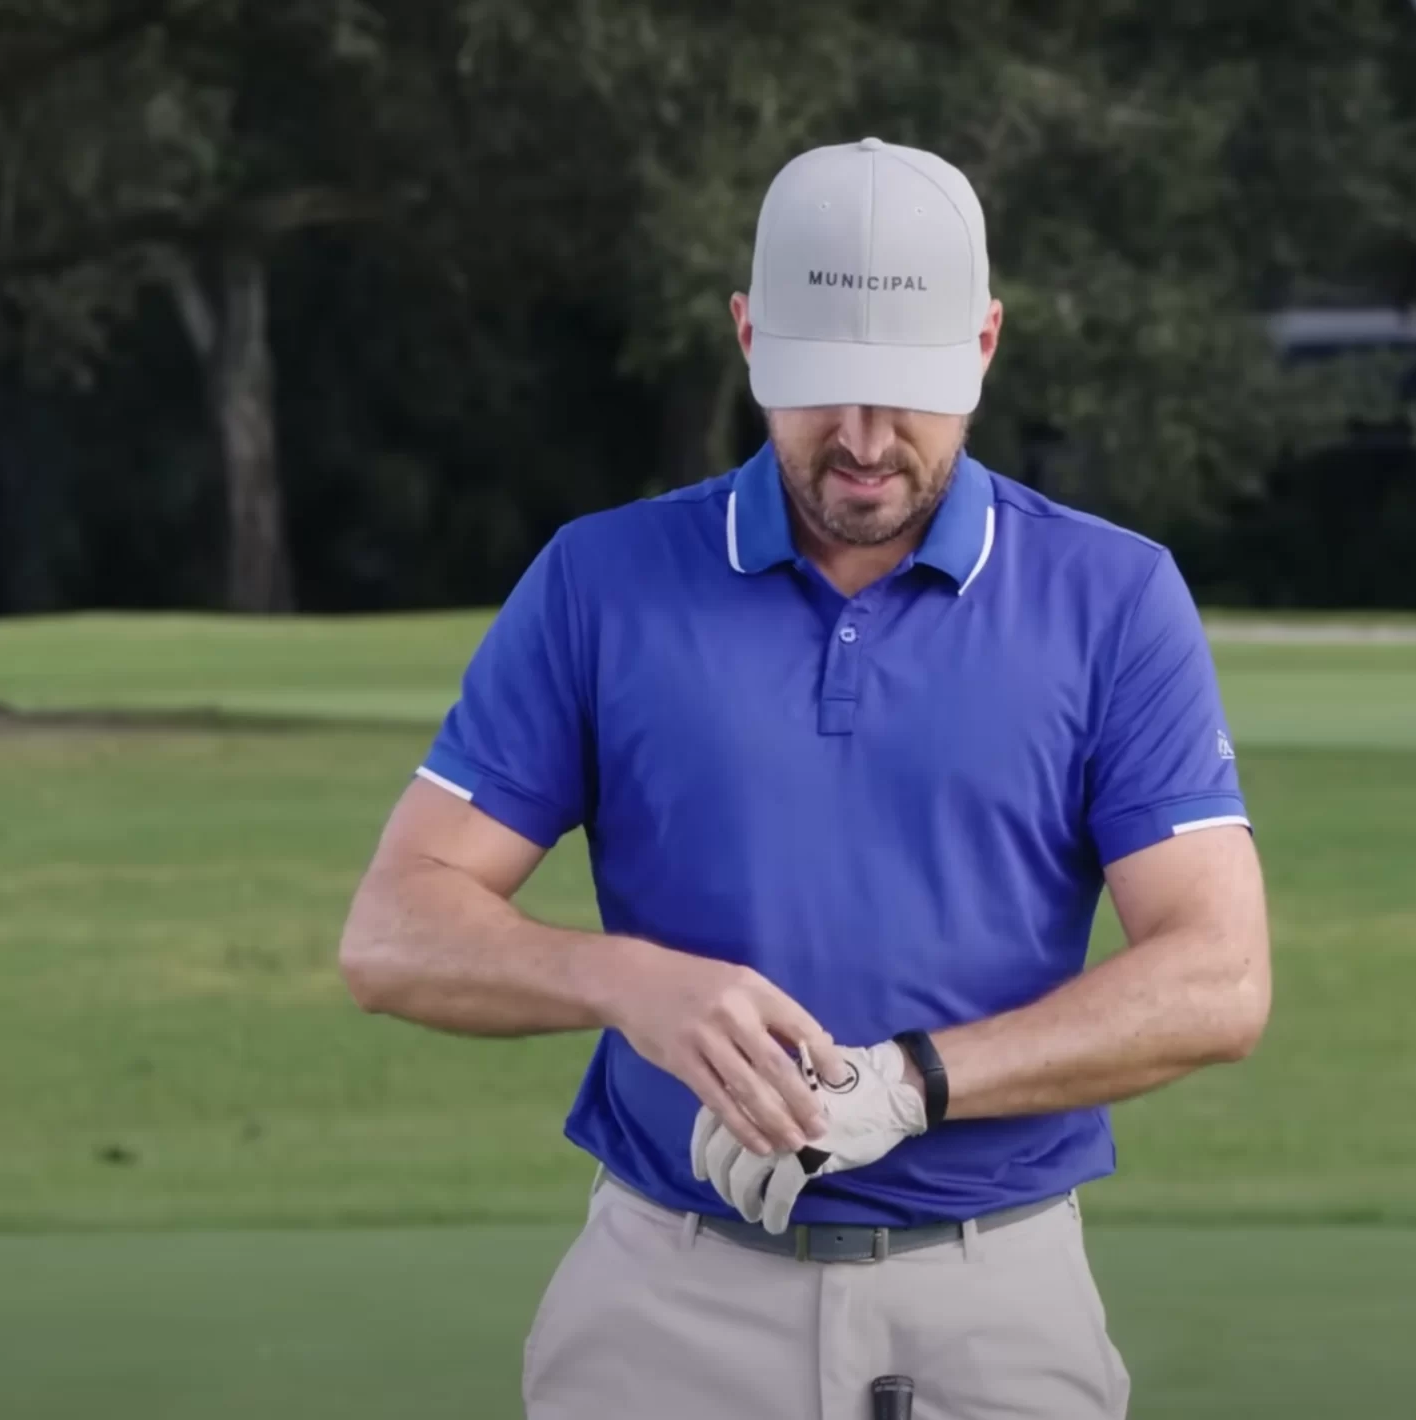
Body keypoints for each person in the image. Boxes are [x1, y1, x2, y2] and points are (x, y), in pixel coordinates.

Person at [337, 136, 1272, 1420]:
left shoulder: (1110, 597)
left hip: (992, 1302)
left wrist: (909, 1084)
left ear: (988, 346)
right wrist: (633, 984)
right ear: (746, 335)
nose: (867, 441)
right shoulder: (600, 581)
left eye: (909, 392)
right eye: (824, 386)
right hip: (664, 1305)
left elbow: (1218, 977)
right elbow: (392, 932)